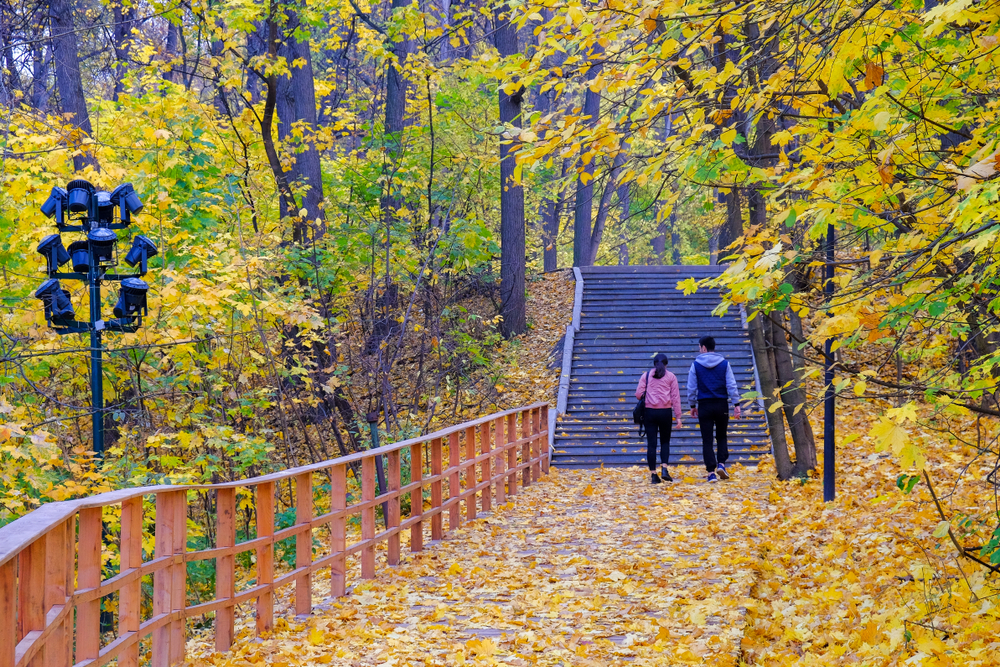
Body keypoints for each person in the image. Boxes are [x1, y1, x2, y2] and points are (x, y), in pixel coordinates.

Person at [687, 335, 741, 482]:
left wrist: (692, 405)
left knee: (707, 439)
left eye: (699, 347)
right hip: (721, 404)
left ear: (703, 348)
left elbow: (691, 387)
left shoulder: (696, 365)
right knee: (722, 435)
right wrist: (736, 404)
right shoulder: (724, 364)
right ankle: (721, 464)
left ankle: (711, 472)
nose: (699, 350)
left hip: (704, 405)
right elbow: (731, 385)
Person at [635, 353, 683, 484]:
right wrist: (678, 416)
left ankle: (653, 475)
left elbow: (638, 395)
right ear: (666, 364)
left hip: (650, 412)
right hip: (665, 412)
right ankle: (665, 469)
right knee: (665, 442)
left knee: (651, 444)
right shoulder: (671, 377)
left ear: (654, 364)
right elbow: (675, 398)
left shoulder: (646, 376)